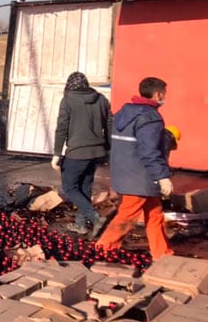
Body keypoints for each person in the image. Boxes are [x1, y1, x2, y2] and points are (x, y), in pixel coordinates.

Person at [95, 77, 174, 261]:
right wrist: (162, 176)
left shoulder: (124, 113)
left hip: (127, 174)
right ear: (158, 94)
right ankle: (103, 248)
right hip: (141, 177)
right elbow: (150, 151)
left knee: (154, 214)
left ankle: (162, 253)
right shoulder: (150, 118)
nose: (165, 97)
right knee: (127, 216)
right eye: (165, 94)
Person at [51, 71, 112, 237]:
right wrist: (108, 148)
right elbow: (109, 125)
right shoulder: (101, 99)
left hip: (77, 152)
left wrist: (57, 153)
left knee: (70, 187)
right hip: (96, 152)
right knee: (85, 187)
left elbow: (62, 127)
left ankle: (95, 217)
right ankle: (81, 225)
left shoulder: (68, 100)